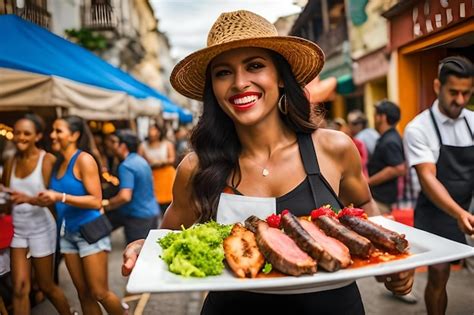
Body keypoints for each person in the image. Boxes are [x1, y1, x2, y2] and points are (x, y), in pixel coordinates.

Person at [122, 10, 414, 314]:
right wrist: (145, 248)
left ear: (281, 78)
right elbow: (169, 237)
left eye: (255, 66)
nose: (239, 82)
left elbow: (364, 205)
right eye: (223, 72)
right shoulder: (196, 167)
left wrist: (388, 259)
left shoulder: (334, 147)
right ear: (213, 90)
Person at [404, 56, 474, 315]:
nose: (460, 100)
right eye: (453, 92)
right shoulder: (419, 128)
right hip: (436, 212)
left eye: (466, 93)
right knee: (439, 275)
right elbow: (427, 177)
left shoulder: (472, 121)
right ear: (437, 87)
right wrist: (458, 213)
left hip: (469, 205)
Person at [36, 115, 124, 315]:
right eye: (53, 130)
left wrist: (60, 196)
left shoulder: (84, 159)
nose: (52, 135)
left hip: (90, 232)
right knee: (83, 294)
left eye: (58, 131)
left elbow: (95, 200)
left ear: (74, 135)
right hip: (68, 235)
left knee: (99, 292)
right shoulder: (57, 163)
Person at [1, 115, 73, 315]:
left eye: (27, 133)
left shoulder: (47, 160)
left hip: (42, 228)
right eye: (17, 133)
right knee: (19, 288)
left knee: (46, 286)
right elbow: (8, 200)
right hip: (18, 230)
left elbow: (55, 198)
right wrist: (5, 195)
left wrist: (29, 199)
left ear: (38, 136)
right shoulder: (10, 162)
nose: (20, 137)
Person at [102, 130, 160, 244]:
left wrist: (107, 204)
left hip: (138, 218)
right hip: (151, 213)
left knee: (136, 256)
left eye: (114, 142)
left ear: (123, 146)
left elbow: (125, 196)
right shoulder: (141, 160)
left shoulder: (126, 166)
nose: (111, 146)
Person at [367, 101, 406, 215]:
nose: (373, 118)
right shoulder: (388, 137)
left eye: (375, 115)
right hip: (381, 198)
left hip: (381, 201)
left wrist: (368, 182)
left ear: (382, 117)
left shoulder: (390, 140)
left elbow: (399, 168)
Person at [139, 123, 176, 212]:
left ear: (159, 132)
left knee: (168, 201)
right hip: (152, 176)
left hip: (167, 176)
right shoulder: (143, 146)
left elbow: (172, 159)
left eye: (153, 130)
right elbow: (139, 160)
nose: (151, 132)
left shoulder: (167, 144)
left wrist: (161, 162)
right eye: (150, 130)